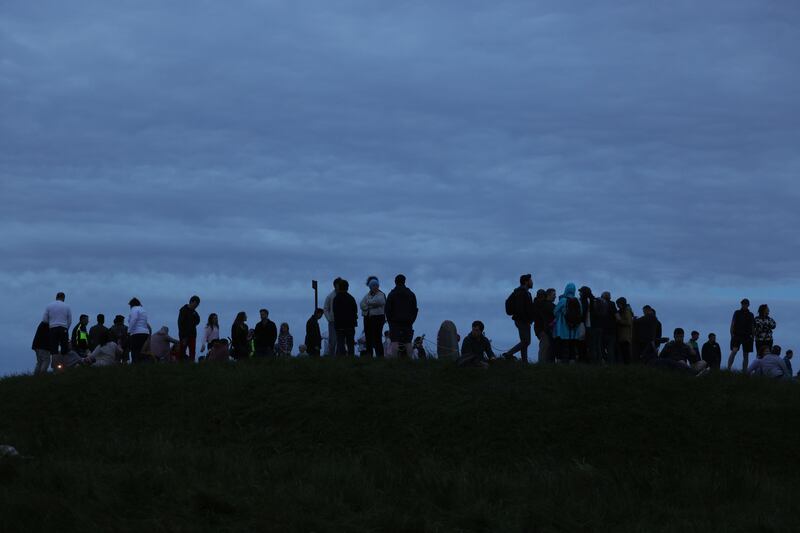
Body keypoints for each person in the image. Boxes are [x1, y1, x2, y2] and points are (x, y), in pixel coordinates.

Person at [502, 274, 535, 363]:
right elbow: (521, 309)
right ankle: (508, 354)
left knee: (525, 341)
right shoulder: (521, 293)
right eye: (530, 280)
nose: (532, 282)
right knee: (526, 341)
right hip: (522, 320)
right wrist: (527, 319)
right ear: (526, 282)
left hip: (524, 320)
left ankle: (524, 362)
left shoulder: (526, 293)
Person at [385, 274, 418, 359]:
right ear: (404, 281)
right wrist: (412, 320)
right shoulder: (411, 294)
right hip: (408, 321)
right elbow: (415, 309)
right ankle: (410, 360)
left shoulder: (392, 294)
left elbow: (387, 309)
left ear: (395, 282)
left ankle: (394, 361)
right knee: (408, 342)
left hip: (394, 321)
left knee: (394, 341)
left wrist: (390, 321)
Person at [553, 283, 583, 362]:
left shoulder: (563, 300)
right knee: (572, 347)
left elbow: (555, 312)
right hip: (575, 329)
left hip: (563, 329)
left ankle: (564, 363)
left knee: (564, 346)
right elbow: (581, 313)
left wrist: (561, 315)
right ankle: (572, 362)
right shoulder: (578, 301)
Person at [360, 276, 386, 358]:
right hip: (367, 318)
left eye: (376, 285)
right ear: (370, 287)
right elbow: (361, 304)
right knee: (368, 337)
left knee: (377, 337)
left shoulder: (381, 294)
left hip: (378, 318)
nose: (375, 287)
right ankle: (369, 355)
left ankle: (380, 355)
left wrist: (368, 303)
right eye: (373, 286)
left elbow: (380, 301)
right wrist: (370, 306)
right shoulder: (367, 295)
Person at [727, 299, 755, 372]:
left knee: (746, 354)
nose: (744, 305)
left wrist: (753, 336)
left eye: (746, 304)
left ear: (748, 305)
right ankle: (728, 368)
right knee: (734, 351)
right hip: (737, 335)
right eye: (743, 304)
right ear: (741, 304)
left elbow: (752, 326)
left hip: (747, 336)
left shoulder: (751, 314)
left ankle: (744, 371)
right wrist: (731, 334)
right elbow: (733, 323)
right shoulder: (737, 312)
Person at [333, 279, 358, 357]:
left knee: (340, 342)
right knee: (350, 343)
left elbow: (334, 311)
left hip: (339, 325)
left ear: (339, 287)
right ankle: (351, 358)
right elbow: (355, 311)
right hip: (350, 325)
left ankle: (341, 358)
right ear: (347, 287)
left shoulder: (336, 298)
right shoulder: (351, 298)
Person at [42, 292, 71, 357]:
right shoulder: (67, 306)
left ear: (56, 297)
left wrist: (51, 324)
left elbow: (44, 320)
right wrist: (66, 328)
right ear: (64, 298)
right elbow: (69, 320)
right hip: (63, 328)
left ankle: (55, 362)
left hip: (53, 328)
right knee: (64, 349)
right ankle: (64, 361)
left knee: (54, 349)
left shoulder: (49, 306)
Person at [177, 295, 201, 363]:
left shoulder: (194, 312)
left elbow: (198, 320)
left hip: (192, 335)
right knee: (182, 351)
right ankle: (180, 364)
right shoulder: (183, 310)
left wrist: (194, 320)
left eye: (197, 305)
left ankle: (191, 365)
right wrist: (183, 336)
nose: (196, 306)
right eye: (196, 304)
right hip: (184, 335)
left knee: (192, 351)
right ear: (191, 302)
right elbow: (180, 324)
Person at [128, 298, 151, 364]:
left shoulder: (134, 309)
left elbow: (133, 319)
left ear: (132, 304)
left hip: (136, 333)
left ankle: (135, 365)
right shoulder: (143, 310)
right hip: (145, 333)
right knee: (142, 351)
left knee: (135, 351)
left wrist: (129, 331)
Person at [597, 292, 618, 364]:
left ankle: (603, 360)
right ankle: (611, 362)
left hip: (601, 328)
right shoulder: (612, 304)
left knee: (601, 346)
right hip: (612, 329)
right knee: (610, 347)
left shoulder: (599, 303)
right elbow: (617, 317)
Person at [578, 286, 598, 363]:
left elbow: (583, 312)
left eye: (581, 292)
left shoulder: (585, 300)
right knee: (591, 344)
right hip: (593, 324)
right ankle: (592, 360)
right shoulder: (593, 300)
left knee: (583, 342)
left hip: (586, 323)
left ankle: (584, 359)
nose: (579, 293)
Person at [323, 278, 342, 357]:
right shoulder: (330, 296)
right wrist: (329, 318)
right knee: (333, 341)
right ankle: (332, 357)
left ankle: (339, 356)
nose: (339, 286)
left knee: (341, 340)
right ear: (335, 285)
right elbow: (325, 308)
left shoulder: (344, 295)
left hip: (342, 321)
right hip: (333, 321)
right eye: (338, 285)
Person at [615, 297, 634, 364]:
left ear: (622, 303)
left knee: (625, 350)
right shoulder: (624, 310)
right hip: (623, 334)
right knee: (624, 350)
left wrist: (619, 320)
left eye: (618, 304)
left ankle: (627, 364)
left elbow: (628, 322)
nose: (617, 306)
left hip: (625, 335)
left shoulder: (626, 311)